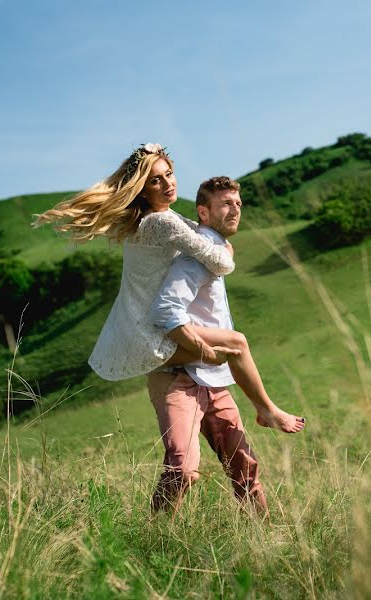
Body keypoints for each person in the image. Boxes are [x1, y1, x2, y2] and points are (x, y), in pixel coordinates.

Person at [32, 143, 305, 433]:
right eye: (155, 180)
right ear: (143, 190)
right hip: (152, 332)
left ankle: (254, 410)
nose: (167, 183)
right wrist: (225, 247)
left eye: (169, 174)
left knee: (228, 351)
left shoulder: (159, 220)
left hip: (146, 328)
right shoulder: (160, 222)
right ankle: (268, 410)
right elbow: (218, 260)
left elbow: (198, 233)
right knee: (236, 344)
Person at [147, 176, 289, 513]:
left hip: (213, 380)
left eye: (238, 203)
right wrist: (202, 349)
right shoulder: (197, 254)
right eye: (226, 203)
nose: (236, 209)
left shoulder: (214, 250)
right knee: (182, 469)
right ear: (203, 212)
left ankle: (266, 539)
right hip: (178, 376)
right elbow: (166, 310)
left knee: (244, 466)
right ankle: (154, 538)